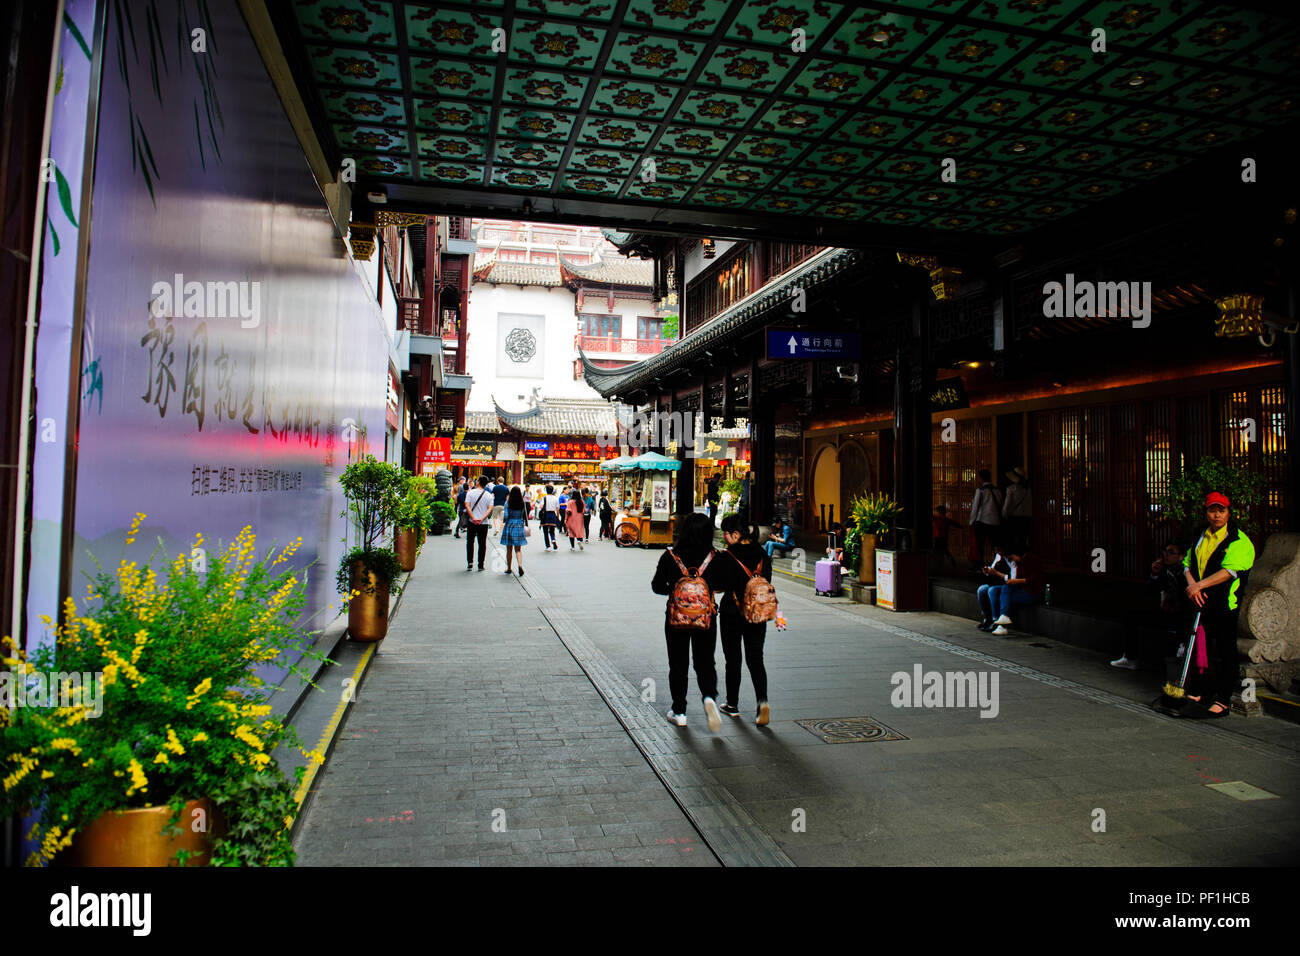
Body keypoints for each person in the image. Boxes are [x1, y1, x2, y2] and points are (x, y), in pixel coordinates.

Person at [1172, 492, 1255, 719]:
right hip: (1200, 602)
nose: (1217, 514)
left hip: (1224, 605)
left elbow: (1229, 571)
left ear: (1229, 512)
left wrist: (1198, 586)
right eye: (1212, 510)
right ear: (1206, 512)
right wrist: (1192, 586)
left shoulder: (1238, 540)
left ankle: (1222, 699)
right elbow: (1187, 562)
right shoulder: (1201, 535)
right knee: (1201, 647)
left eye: (1221, 510)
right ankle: (1199, 691)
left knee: (1226, 650)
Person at [651, 512, 725, 731]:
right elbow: (721, 585)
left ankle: (679, 710)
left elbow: (656, 586)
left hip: (676, 620)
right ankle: (709, 697)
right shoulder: (715, 556)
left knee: (678, 663)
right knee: (705, 660)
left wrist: (675, 591)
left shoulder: (670, 556)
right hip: (705, 618)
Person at [717, 514, 772, 726]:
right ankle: (763, 703)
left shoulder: (727, 556)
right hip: (758, 613)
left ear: (736, 534)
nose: (724, 537)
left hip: (733, 612)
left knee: (733, 659)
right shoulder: (762, 556)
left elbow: (719, 584)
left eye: (726, 533)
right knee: (756, 658)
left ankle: (732, 704)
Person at [1112, 539, 1186, 670]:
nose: (1166, 556)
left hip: (1181, 613)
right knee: (1131, 616)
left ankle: (1182, 649)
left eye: (1171, 553)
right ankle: (1130, 657)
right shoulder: (1164, 570)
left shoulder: (1185, 572)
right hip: (1164, 611)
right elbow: (1152, 591)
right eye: (1165, 552)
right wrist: (1154, 574)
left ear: (1181, 556)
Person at [978, 542, 1044, 635]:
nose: (1012, 559)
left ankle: (1002, 621)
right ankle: (997, 619)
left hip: (1031, 592)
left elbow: (1033, 579)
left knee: (1002, 593)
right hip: (1017, 588)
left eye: (1013, 557)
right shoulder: (1018, 561)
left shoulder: (1031, 560)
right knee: (1001, 590)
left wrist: (1016, 581)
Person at [968, 469, 1004, 564]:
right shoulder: (997, 490)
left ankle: (980, 564)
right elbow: (1000, 504)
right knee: (995, 545)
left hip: (982, 520)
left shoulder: (980, 491)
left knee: (980, 545)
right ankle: (997, 563)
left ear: (981, 478)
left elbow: (975, 507)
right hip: (995, 521)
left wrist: (971, 521)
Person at [463, 476, 493, 571]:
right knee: (482, 543)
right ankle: (481, 564)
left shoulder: (470, 493)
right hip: (483, 523)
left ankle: (470, 563)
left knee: (470, 542)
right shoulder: (489, 495)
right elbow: (490, 508)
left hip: (472, 522)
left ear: (478, 482)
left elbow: (467, 506)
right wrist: (482, 518)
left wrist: (473, 517)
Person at [500, 486, 529, 577]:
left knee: (509, 549)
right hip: (519, 525)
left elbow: (506, 516)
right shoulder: (522, 503)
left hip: (510, 525)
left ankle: (509, 568)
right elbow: (524, 515)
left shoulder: (508, 502)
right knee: (518, 549)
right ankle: (520, 565)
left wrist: (504, 521)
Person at [1002, 467, 1032, 548]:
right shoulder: (1028, 490)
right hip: (1026, 518)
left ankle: (1015, 558)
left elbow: (1007, 505)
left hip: (1014, 518)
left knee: (1012, 540)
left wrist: (1004, 515)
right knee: (1023, 540)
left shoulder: (1011, 489)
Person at [932, 503, 956, 568]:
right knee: (945, 550)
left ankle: (938, 563)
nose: (935, 512)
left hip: (937, 538)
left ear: (939, 512)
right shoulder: (947, 519)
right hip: (944, 538)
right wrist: (962, 526)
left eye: (936, 511)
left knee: (936, 551)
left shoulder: (936, 518)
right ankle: (950, 559)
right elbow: (955, 524)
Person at [539, 484, 560, 551]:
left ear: (546, 490)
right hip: (552, 515)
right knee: (552, 531)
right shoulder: (555, 498)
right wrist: (558, 516)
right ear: (552, 491)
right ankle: (553, 539)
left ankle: (548, 547)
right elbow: (557, 508)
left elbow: (541, 506)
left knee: (545, 532)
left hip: (545, 515)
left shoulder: (544, 498)